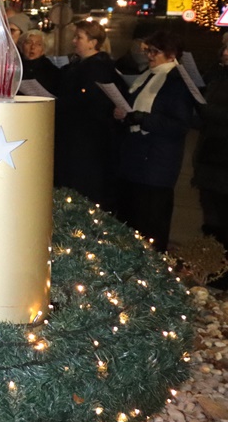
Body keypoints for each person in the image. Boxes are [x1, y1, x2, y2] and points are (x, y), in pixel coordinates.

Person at [112, 30, 198, 250]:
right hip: (135, 160)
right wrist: (124, 115)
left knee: (151, 224)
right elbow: (134, 107)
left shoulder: (177, 82)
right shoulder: (148, 76)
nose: (149, 56)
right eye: (148, 51)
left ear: (171, 54)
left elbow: (179, 125)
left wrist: (142, 118)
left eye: (155, 52)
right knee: (130, 220)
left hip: (157, 165)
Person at [53, 21, 121, 206]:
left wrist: (60, 104)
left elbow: (87, 100)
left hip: (85, 141)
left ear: (93, 42)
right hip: (75, 137)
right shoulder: (80, 64)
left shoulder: (97, 67)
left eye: (79, 37)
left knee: (81, 187)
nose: (74, 41)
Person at [194, 42, 228, 253]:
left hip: (223, 161)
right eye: (225, 48)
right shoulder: (218, 75)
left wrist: (205, 109)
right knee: (211, 213)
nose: (225, 53)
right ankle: (211, 260)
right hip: (210, 157)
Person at [19, 29, 59, 94]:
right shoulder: (15, 66)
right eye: (28, 43)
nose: (33, 47)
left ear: (43, 49)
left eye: (38, 44)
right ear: (21, 46)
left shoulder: (51, 70)